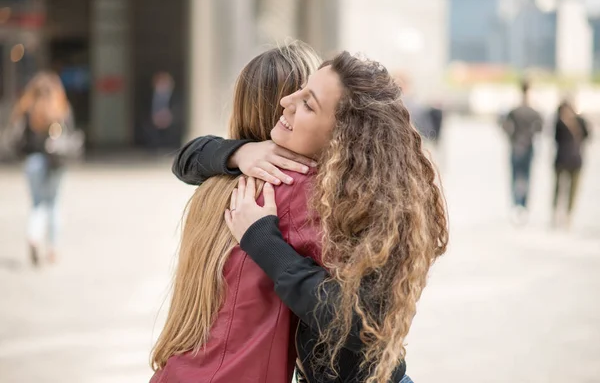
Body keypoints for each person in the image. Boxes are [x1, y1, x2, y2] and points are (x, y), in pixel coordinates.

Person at [172, 52, 448, 383]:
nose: (286, 102)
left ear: (341, 139)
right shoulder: (286, 176)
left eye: (308, 104)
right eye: (300, 90)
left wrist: (265, 242)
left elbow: (362, 323)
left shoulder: (356, 203)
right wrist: (239, 151)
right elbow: (186, 159)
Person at [150, 42, 324, 383]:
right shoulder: (298, 188)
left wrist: (237, 152)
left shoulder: (213, 185)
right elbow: (352, 312)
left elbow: (185, 158)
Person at [8, 71, 74, 266]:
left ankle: (33, 236)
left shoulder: (27, 108)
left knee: (37, 203)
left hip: (32, 162)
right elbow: (70, 132)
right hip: (56, 161)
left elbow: (15, 139)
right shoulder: (61, 108)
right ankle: (53, 249)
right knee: (54, 204)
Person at [502, 81, 543, 223]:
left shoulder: (514, 110)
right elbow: (540, 128)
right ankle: (523, 205)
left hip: (516, 146)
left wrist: (512, 138)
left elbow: (504, 126)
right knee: (526, 177)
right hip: (528, 146)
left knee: (515, 177)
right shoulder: (534, 111)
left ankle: (516, 204)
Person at [552, 100, 590, 228]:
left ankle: (568, 215)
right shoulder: (559, 123)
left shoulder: (580, 121)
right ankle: (556, 213)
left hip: (575, 160)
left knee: (572, 191)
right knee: (559, 189)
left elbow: (588, 136)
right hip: (563, 160)